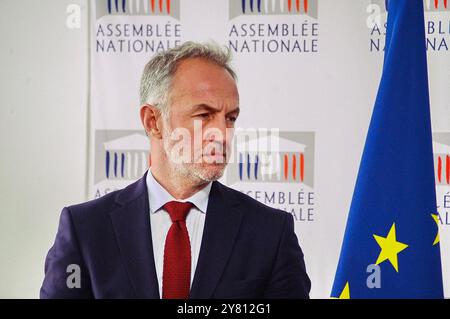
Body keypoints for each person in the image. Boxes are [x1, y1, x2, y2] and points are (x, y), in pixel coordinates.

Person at [40, 42, 311, 299]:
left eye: (230, 118)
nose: (222, 133)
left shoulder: (270, 233)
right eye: (203, 115)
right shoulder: (85, 229)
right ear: (153, 121)